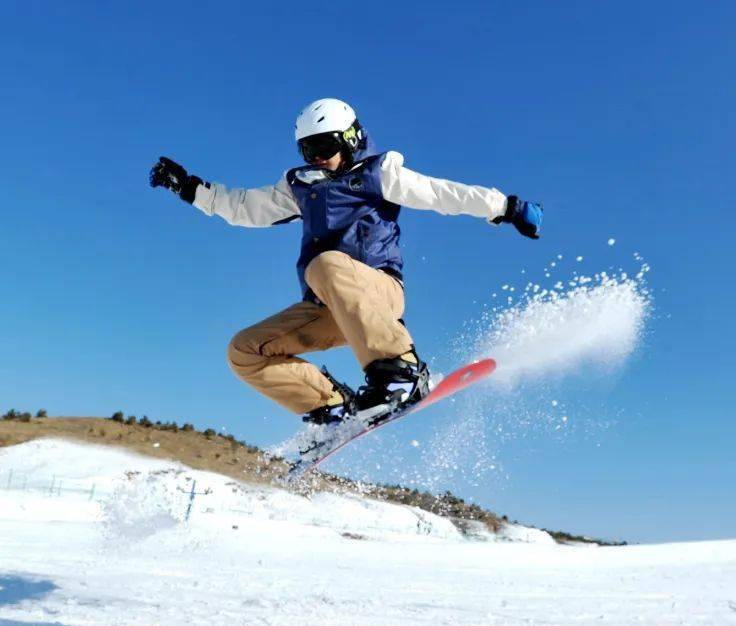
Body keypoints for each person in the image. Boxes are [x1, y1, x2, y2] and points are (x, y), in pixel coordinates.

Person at [149, 98, 542, 426]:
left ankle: (400, 371)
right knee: (244, 350)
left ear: (351, 139)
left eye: (325, 147)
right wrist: (190, 189)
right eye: (308, 150)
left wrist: (505, 207)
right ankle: (332, 406)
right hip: (328, 306)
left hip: (378, 293)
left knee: (325, 264)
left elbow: (442, 193)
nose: (317, 159)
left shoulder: (378, 174)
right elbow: (244, 208)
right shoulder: (300, 187)